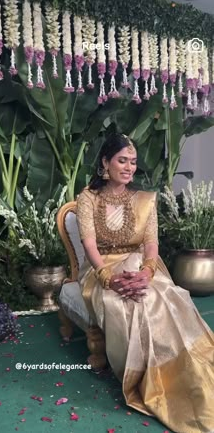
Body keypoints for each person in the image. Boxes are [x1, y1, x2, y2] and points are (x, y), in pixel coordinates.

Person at [76, 133, 214, 433]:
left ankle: (185, 369)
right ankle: (149, 378)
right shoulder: (88, 198)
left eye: (133, 162)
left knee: (163, 297)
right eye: (122, 160)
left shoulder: (144, 200)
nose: (128, 167)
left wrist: (147, 274)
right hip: (102, 271)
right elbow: (89, 246)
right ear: (105, 163)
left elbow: (151, 245)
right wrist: (108, 279)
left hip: (140, 266)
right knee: (124, 304)